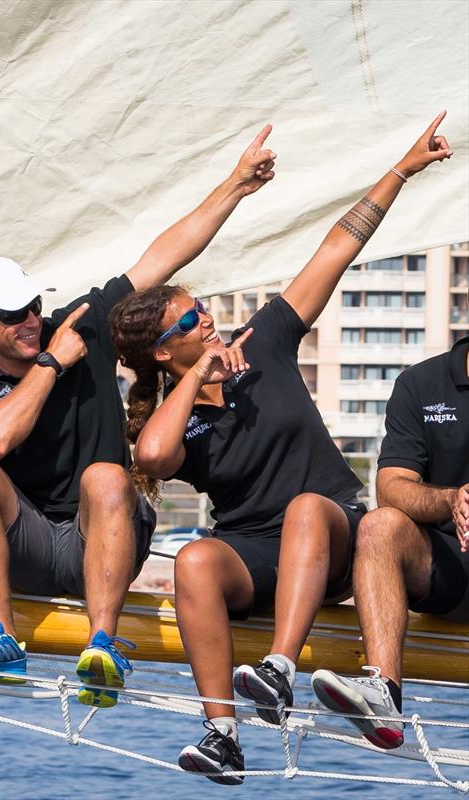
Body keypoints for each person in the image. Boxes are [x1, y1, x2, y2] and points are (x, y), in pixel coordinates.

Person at [108, 113, 451, 783]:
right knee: (197, 559)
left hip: (337, 531)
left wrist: (402, 170)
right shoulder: (175, 408)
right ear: (161, 350)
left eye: (203, 306)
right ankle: (221, 733)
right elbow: (151, 458)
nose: (206, 318)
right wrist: (198, 379)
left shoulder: (263, 343)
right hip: (260, 553)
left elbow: (333, 250)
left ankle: (280, 668)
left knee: (304, 509)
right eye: (189, 319)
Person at [0, 125, 278, 706]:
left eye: (33, 307)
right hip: (30, 546)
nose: (29, 320)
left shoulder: (81, 325)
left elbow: (163, 256)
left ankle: (103, 644)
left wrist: (236, 186)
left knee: (104, 475)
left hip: (106, 533)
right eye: (10, 315)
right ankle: (0, 638)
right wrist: (50, 364)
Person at [311, 323, 468, 749]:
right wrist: (453, 499)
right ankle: (384, 695)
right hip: (450, 568)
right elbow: (393, 486)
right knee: (379, 524)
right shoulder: (421, 383)